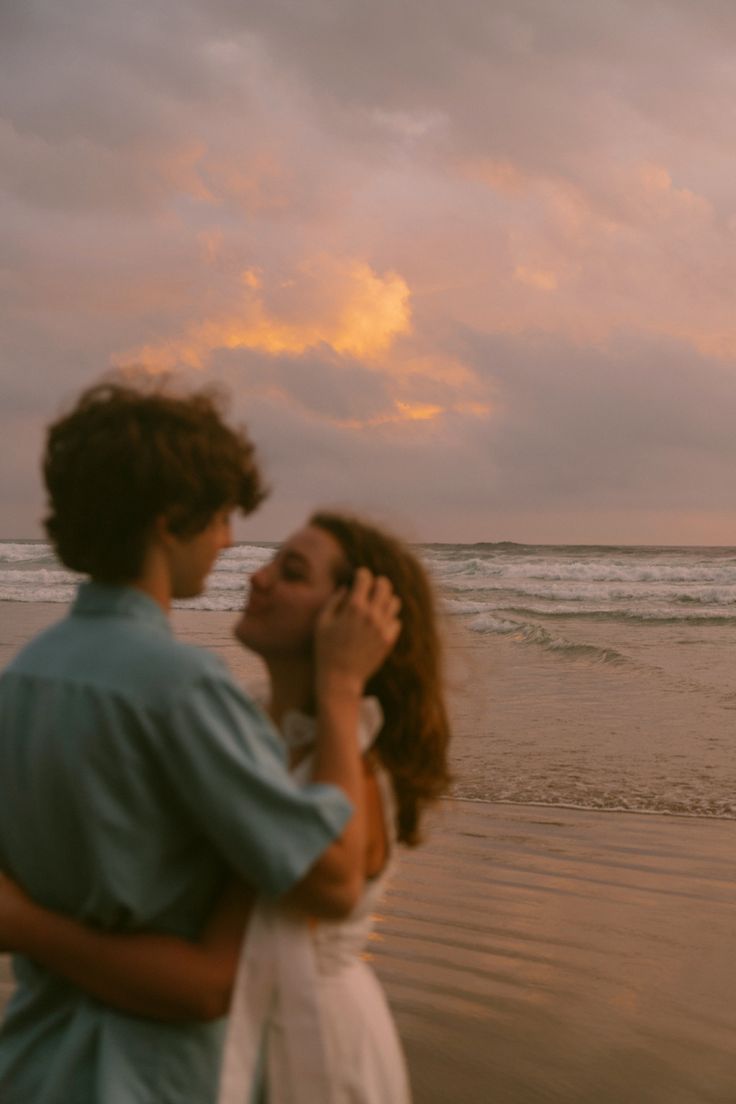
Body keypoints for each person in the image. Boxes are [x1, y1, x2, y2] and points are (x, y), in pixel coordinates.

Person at [0, 382, 401, 1104]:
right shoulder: (184, 690)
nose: (227, 543)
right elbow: (332, 878)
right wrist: (341, 690)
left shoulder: (22, 679)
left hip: (33, 1062)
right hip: (149, 1076)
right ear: (167, 523)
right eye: (219, 517)